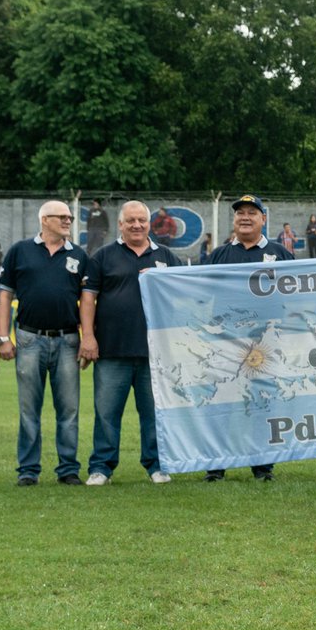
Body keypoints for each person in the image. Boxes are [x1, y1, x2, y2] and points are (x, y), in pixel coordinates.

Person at [80, 201, 181, 485]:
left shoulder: (167, 257)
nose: (137, 225)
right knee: (106, 414)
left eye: (142, 220)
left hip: (155, 354)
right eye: (131, 221)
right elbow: (88, 298)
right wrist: (88, 336)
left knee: (154, 415)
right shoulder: (103, 256)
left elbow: (180, 298)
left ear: (149, 224)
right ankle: (101, 467)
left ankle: (157, 465)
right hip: (112, 350)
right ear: (120, 225)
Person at [0, 201, 89, 486]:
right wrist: (2, 337)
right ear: (44, 220)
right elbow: (4, 296)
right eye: (62, 217)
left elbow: (86, 300)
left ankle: (68, 469)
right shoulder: (19, 252)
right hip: (28, 338)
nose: (68, 221)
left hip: (68, 339)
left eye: (69, 217)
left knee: (69, 409)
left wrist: (87, 337)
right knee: (28, 409)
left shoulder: (80, 255)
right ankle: (28, 470)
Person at [204, 195, 293, 481]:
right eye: (240, 213)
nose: (245, 217)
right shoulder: (219, 255)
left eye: (252, 213)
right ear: (234, 219)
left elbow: (297, 290)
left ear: (263, 219)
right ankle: (216, 466)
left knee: (261, 403)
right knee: (222, 404)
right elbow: (196, 290)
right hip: (226, 341)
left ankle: (262, 465)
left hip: (265, 344)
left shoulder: (279, 253)